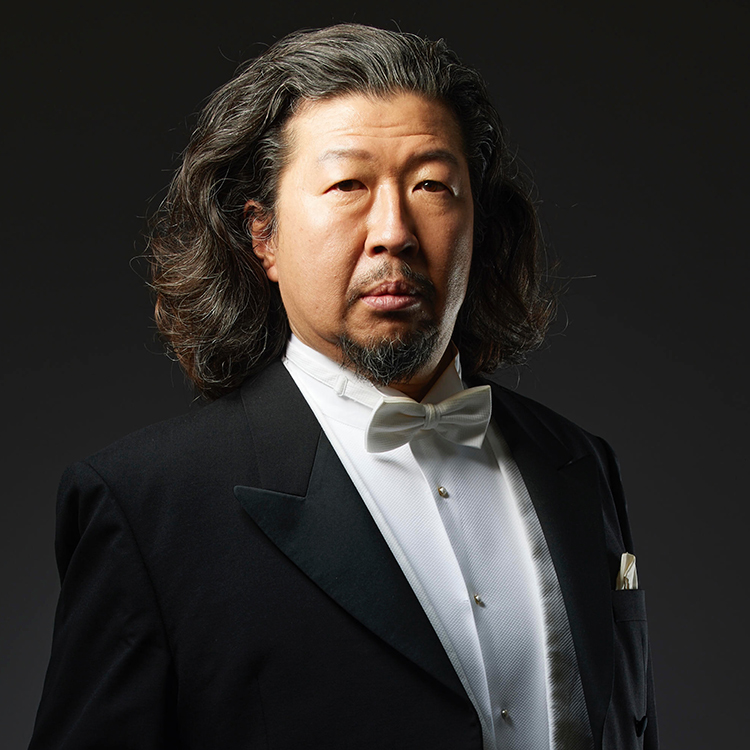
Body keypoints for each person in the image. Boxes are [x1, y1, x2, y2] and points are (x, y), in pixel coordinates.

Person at [29, 24, 657, 750]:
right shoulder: (145, 508)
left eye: (431, 186)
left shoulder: (581, 464)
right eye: (348, 186)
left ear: (478, 224)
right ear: (263, 236)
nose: (394, 231)